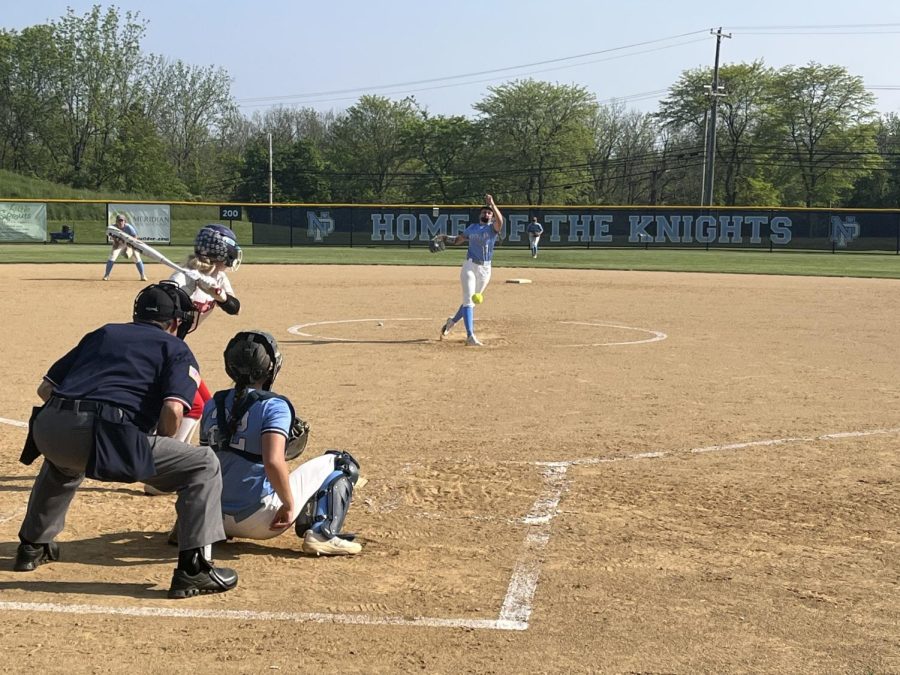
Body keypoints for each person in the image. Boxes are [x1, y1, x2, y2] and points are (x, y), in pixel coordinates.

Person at [13, 282, 238, 599]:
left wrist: (73, 427)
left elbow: (45, 390)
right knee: (203, 464)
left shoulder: (103, 333)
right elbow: (174, 408)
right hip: (110, 432)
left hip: (49, 428)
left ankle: (31, 547)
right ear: (175, 322)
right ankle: (194, 569)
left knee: (64, 465)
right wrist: (155, 442)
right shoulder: (175, 349)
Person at [198, 330, 362, 555]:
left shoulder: (212, 403)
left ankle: (197, 526)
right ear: (270, 368)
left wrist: (193, 517)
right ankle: (322, 533)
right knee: (340, 462)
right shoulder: (274, 405)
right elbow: (273, 461)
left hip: (212, 519)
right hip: (262, 520)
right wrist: (288, 504)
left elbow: (203, 463)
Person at [167, 224, 242, 444]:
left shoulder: (218, 277)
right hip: (166, 347)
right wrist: (184, 290)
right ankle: (172, 455)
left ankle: (173, 452)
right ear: (222, 252)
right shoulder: (184, 276)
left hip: (177, 347)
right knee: (199, 406)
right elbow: (158, 304)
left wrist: (219, 295)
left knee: (204, 405)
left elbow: (235, 308)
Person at [438, 194, 504, 347]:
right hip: (469, 266)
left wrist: (492, 204)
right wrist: (444, 237)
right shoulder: (472, 228)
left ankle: (451, 322)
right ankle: (470, 336)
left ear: (492, 217)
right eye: (483, 212)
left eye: (489, 213)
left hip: (485, 269)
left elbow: (500, 222)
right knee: (468, 299)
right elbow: (457, 240)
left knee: (472, 302)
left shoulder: (492, 229)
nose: (485, 214)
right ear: (480, 215)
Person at [103, 214, 147, 281]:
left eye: (122, 221)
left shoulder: (129, 227)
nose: (120, 222)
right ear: (116, 221)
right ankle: (106, 275)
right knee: (112, 256)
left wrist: (130, 246)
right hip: (119, 244)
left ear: (124, 221)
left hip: (130, 244)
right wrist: (115, 242)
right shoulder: (113, 227)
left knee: (137, 257)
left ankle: (142, 275)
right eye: (119, 221)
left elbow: (135, 237)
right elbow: (111, 235)